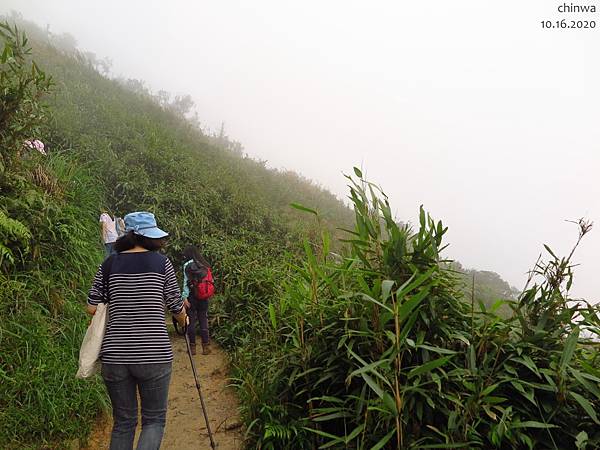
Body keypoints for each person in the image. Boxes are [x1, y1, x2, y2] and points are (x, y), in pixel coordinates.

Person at [86, 211, 187, 450]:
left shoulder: (109, 264)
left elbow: (91, 308)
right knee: (153, 421)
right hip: (154, 355)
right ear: (148, 236)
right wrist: (183, 320)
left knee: (123, 423)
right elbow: (176, 306)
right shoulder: (162, 263)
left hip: (115, 356)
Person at [181, 245, 214, 356]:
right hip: (203, 297)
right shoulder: (204, 264)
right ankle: (206, 347)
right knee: (203, 320)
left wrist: (184, 297)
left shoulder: (187, 265)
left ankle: (192, 348)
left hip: (191, 297)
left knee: (191, 322)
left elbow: (185, 283)